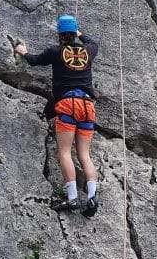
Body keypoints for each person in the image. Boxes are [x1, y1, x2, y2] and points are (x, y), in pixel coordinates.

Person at [14, 15, 100, 217]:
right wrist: (80, 33)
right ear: (75, 32)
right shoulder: (88, 51)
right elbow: (92, 42)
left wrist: (23, 52)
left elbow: (35, 61)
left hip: (68, 104)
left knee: (64, 153)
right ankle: (93, 197)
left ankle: (72, 197)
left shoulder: (55, 51)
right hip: (88, 106)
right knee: (84, 155)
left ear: (59, 34)